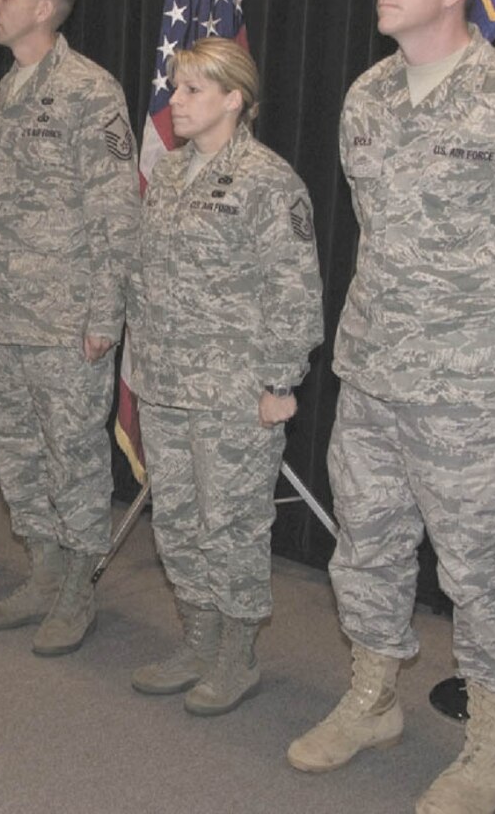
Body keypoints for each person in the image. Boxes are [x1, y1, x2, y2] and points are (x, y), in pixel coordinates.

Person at [287, 0, 495, 814]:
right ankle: (373, 697)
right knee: (367, 546)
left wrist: (484, 313)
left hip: (467, 386)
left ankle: (491, 747)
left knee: (478, 567)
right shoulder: (368, 95)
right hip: (371, 370)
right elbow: (374, 229)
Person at [126, 37, 323, 715]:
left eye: (190, 90)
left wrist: (278, 382)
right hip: (164, 381)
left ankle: (235, 654)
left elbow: (294, 292)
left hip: (233, 393)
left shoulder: (268, 181)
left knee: (231, 524)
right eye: (174, 88)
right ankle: (197, 639)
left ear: (233, 98)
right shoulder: (171, 174)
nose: (173, 102)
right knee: (177, 521)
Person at [0, 0, 140, 655]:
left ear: (43, 9)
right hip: (5, 312)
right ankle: (42, 572)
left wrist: (105, 314)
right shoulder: (4, 90)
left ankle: (77, 588)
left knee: (72, 455)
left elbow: (115, 212)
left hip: (64, 316)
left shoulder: (87, 90)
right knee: (15, 449)